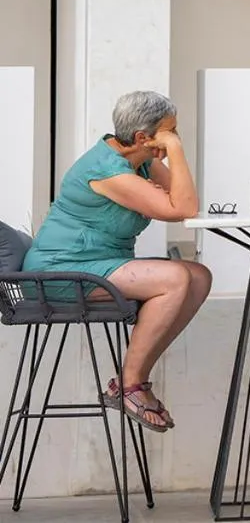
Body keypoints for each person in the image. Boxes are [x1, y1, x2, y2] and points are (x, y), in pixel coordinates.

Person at [21, 90, 208, 433]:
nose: (174, 139)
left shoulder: (141, 161)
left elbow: (182, 199)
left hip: (102, 265)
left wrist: (167, 159)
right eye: (170, 132)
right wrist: (177, 152)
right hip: (60, 271)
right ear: (142, 137)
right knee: (175, 279)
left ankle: (132, 380)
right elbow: (183, 209)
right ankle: (131, 384)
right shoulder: (107, 171)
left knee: (198, 277)